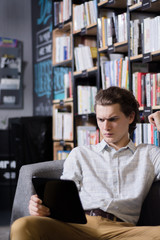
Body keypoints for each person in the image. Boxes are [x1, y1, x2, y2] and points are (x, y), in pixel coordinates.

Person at [10, 86, 160, 240]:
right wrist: (41, 207)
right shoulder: (80, 153)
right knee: (22, 225)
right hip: (78, 225)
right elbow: (62, 199)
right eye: (100, 120)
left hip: (122, 231)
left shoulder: (149, 154)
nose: (105, 127)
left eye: (113, 119)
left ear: (130, 117)